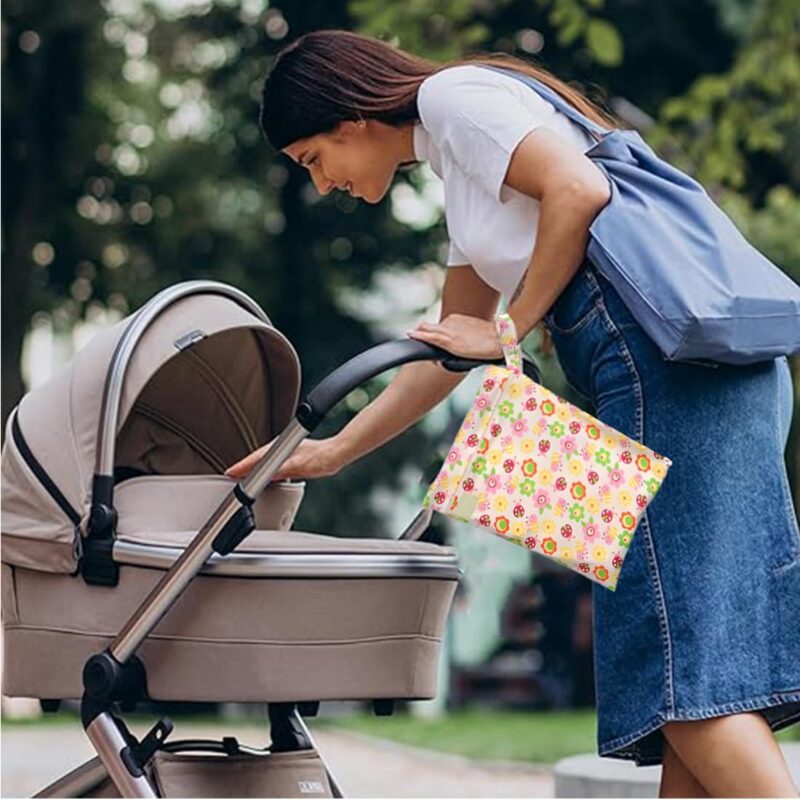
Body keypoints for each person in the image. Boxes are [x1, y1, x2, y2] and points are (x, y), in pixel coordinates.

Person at [226, 28, 800, 797]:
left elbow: (579, 191)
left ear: (349, 118)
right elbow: (442, 352)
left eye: (312, 161)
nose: (323, 184)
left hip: (668, 378)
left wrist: (509, 329)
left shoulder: (453, 98)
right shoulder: (459, 171)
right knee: (680, 687)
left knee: (686, 679)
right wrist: (332, 451)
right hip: (686, 380)